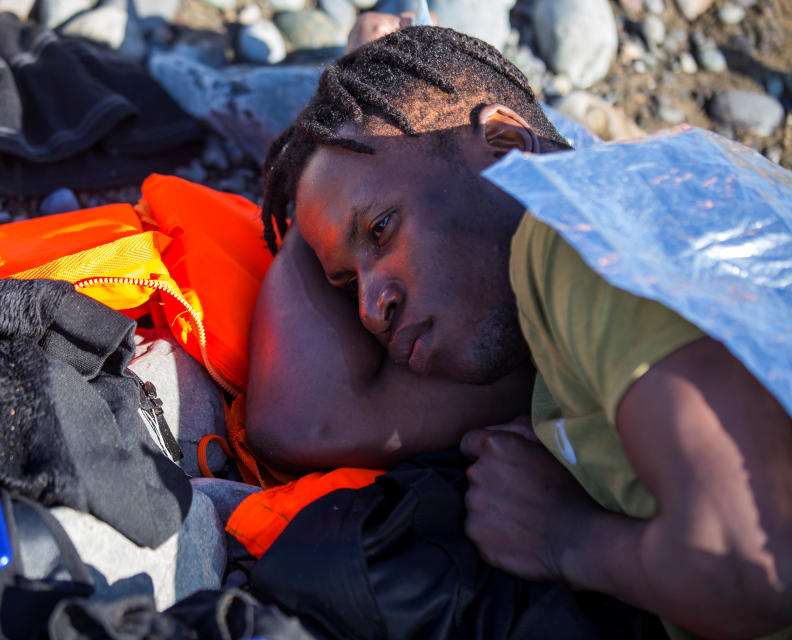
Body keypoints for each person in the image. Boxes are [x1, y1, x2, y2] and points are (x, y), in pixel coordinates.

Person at [253, 23, 792, 639]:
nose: (372, 309)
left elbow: (759, 564)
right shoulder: (545, 277)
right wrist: (326, 149)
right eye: (347, 285)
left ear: (508, 140)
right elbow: (303, 421)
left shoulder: (576, 242)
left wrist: (565, 537)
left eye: (380, 230)